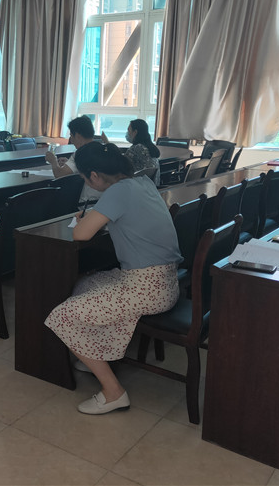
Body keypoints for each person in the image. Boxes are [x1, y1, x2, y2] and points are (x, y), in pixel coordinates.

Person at [44, 143, 182, 414]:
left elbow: (80, 234)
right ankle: (95, 353)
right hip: (165, 282)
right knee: (85, 284)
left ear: (95, 176)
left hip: (145, 288)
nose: (86, 182)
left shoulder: (117, 192)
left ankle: (113, 392)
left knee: (62, 316)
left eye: (85, 178)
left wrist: (84, 221)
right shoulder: (141, 181)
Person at [45, 116, 99, 204]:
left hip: (86, 204)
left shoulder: (80, 153)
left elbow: (59, 175)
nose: (71, 141)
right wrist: (69, 163)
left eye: (71, 136)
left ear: (77, 136)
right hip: (102, 201)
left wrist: (53, 161)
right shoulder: (100, 148)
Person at [103, 119, 161, 186]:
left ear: (135, 132)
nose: (127, 133)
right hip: (151, 187)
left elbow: (120, 163)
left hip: (137, 187)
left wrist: (107, 143)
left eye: (128, 130)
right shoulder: (151, 148)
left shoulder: (137, 148)